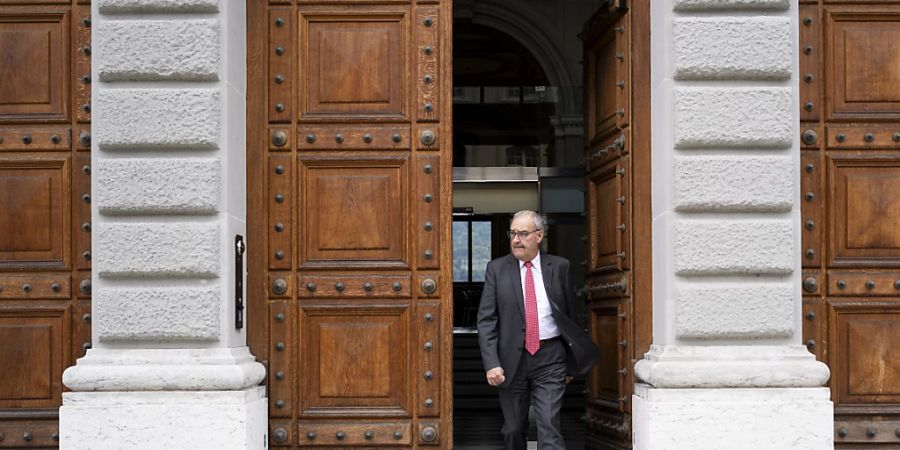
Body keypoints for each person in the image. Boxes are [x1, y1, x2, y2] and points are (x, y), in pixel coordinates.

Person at [477, 210, 601, 450]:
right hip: (511, 360)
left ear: (539, 235)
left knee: (549, 427)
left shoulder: (560, 266)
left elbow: (568, 316)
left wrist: (570, 361)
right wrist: (491, 362)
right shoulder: (497, 269)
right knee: (513, 430)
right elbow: (486, 320)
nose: (516, 240)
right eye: (512, 233)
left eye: (523, 234)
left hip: (551, 357)